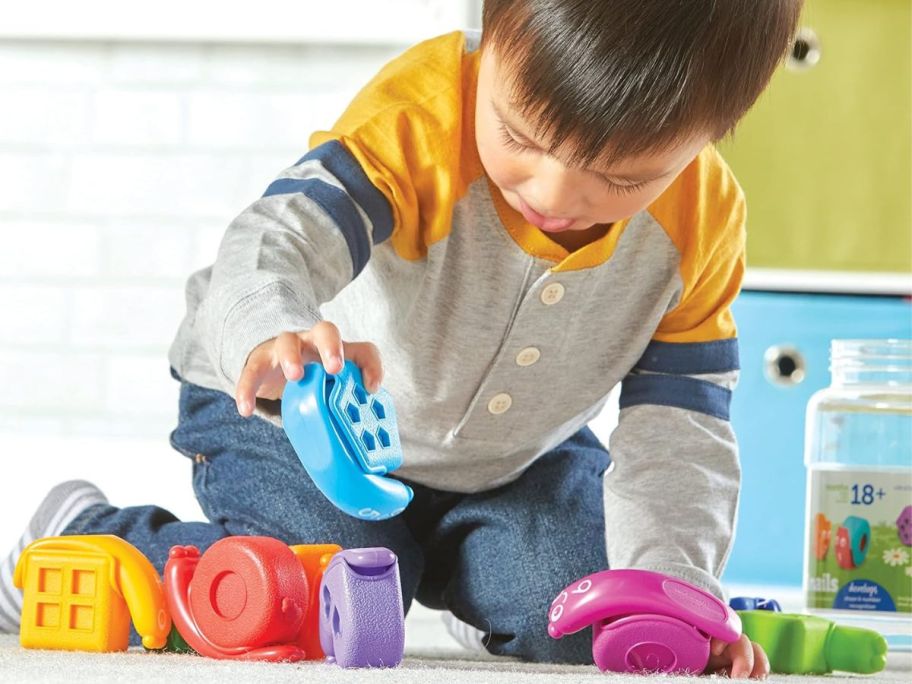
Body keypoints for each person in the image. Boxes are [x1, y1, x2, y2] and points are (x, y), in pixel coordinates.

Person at [1, 1, 803, 675]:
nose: (554, 194)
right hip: (301, 423)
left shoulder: (700, 226)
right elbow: (276, 237)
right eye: (521, 137)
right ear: (490, 38)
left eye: (623, 180)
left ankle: (478, 586)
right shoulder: (422, 118)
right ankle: (81, 541)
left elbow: (681, 433)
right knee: (320, 597)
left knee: (586, 611)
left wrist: (674, 585)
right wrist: (270, 328)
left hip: (509, 459)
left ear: (713, 133)